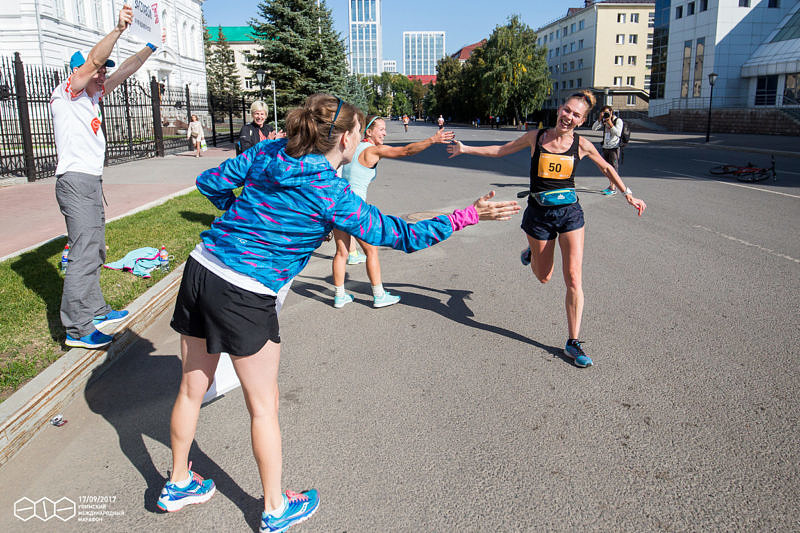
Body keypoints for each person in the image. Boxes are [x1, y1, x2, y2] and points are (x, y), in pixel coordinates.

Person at [159, 93, 519, 532]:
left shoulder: (269, 149)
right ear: (347, 138)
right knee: (264, 407)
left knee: (191, 388)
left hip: (203, 267)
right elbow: (399, 234)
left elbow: (210, 182)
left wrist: (243, 217)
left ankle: (178, 482)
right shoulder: (331, 193)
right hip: (245, 292)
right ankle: (274, 508)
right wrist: (468, 215)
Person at [447, 90, 646, 368]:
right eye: (566, 110)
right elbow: (501, 150)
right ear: (559, 109)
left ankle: (573, 342)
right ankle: (532, 251)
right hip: (539, 216)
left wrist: (628, 194)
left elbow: (607, 169)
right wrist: (465, 148)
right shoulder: (536, 137)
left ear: (581, 120)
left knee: (574, 278)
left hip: (570, 214)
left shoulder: (582, 144)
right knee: (543, 276)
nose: (569, 117)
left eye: (576, 115)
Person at [50, 5, 161, 349]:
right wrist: (117, 31)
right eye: (98, 72)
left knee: (95, 249)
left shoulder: (93, 96)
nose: (102, 77)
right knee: (83, 252)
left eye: (102, 74)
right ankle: (77, 328)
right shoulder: (68, 92)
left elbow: (124, 70)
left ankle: (95, 309)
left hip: (91, 182)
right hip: (75, 181)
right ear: (79, 71)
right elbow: (97, 63)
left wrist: (152, 46)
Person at [332, 115, 455, 308]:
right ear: (369, 131)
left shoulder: (351, 147)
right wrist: (432, 140)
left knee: (342, 252)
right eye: (381, 129)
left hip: (338, 205)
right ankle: (379, 295)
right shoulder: (373, 150)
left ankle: (339, 296)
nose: (385, 132)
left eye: (385, 129)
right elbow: (405, 151)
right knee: (371, 250)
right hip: (355, 210)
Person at [591, 105, 624, 195]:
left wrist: (610, 124)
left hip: (614, 147)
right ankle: (611, 186)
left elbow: (618, 133)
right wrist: (599, 119)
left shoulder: (618, 121)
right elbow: (593, 129)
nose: (606, 114)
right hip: (605, 146)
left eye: (607, 113)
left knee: (613, 168)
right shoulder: (604, 120)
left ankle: (613, 188)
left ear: (611, 112)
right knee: (605, 168)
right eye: (604, 113)